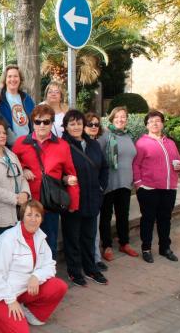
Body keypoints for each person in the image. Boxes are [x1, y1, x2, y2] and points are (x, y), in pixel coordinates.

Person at [0, 200, 68, 333]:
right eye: (29, 215)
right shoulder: (7, 240)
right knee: (20, 330)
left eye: (37, 215)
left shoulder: (40, 238)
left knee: (59, 287)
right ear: (22, 216)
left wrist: (36, 276)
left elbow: (50, 265)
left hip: (23, 290)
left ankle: (31, 313)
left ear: (41, 219)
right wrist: (11, 300)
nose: (33, 220)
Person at [12, 104, 79, 259]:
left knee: (49, 244)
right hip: (28, 203)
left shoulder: (62, 145)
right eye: (38, 122)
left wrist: (73, 202)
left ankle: (48, 278)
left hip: (50, 204)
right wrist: (23, 169)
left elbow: (70, 174)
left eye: (46, 122)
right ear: (32, 123)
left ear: (52, 123)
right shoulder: (21, 142)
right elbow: (11, 165)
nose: (42, 125)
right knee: (25, 245)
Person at [61, 110, 110, 287]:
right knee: (73, 238)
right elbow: (55, 172)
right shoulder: (62, 145)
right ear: (65, 126)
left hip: (92, 198)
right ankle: (74, 271)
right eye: (72, 124)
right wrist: (64, 180)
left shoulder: (93, 145)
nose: (76, 127)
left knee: (89, 237)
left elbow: (104, 168)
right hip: (72, 200)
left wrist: (101, 187)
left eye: (79, 123)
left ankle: (90, 269)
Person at [133, 110, 180, 263]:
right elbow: (136, 164)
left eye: (157, 120)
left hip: (169, 188)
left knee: (165, 219)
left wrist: (179, 166)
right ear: (147, 125)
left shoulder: (170, 142)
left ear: (162, 123)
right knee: (148, 219)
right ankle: (146, 248)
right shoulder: (142, 143)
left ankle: (165, 248)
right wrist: (139, 184)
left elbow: (179, 161)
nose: (155, 123)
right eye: (151, 121)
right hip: (148, 189)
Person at [0, 119, 31, 250]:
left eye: (4, 133)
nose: (3, 135)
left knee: (13, 252)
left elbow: (21, 177)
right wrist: (15, 198)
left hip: (16, 213)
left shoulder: (11, 154)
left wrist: (25, 193)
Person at [98, 106, 139, 261]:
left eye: (123, 117)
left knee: (123, 214)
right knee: (106, 216)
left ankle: (124, 243)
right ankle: (107, 246)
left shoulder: (129, 136)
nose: (120, 120)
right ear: (111, 119)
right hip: (109, 182)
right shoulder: (105, 136)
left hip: (125, 183)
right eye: (117, 117)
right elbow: (98, 158)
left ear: (126, 119)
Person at [84, 112, 108, 272]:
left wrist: (101, 186)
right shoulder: (79, 144)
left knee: (95, 226)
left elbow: (104, 167)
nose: (93, 127)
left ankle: (96, 258)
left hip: (95, 193)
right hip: (80, 193)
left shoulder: (97, 145)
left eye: (96, 124)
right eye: (90, 124)